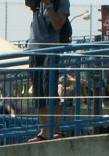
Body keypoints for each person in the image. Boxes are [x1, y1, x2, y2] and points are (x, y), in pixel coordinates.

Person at [26, 0, 70, 142]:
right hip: (34, 49)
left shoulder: (61, 2)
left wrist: (49, 5)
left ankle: (56, 129)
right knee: (38, 92)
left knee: (49, 89)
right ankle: (44, 130)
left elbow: (58, 25)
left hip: (51, 49)